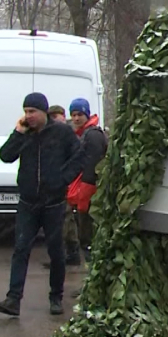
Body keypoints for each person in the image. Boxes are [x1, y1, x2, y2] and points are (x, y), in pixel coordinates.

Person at [0, 92, 83, 317]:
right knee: (21, 249)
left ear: (43, 112)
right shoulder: (25, 134)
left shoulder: (61, 132)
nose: (28, 116)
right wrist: (18, 133)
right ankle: (13, 299)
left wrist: (63, 179)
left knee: (55, 252)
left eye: (32, 111)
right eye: (26, 112)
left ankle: (56, 296)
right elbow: (5, 156)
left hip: (53, 202)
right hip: (28, 202)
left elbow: (80, 157)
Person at [66, 98, 106, 264]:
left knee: (88, 234)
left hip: (89, 191)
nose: (76, 119)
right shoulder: (85, 133)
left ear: (86, 114)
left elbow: (93, 166)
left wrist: (85, 193)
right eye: (73, 115)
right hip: (86, 190)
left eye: (79, 114)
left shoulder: (93, 135)